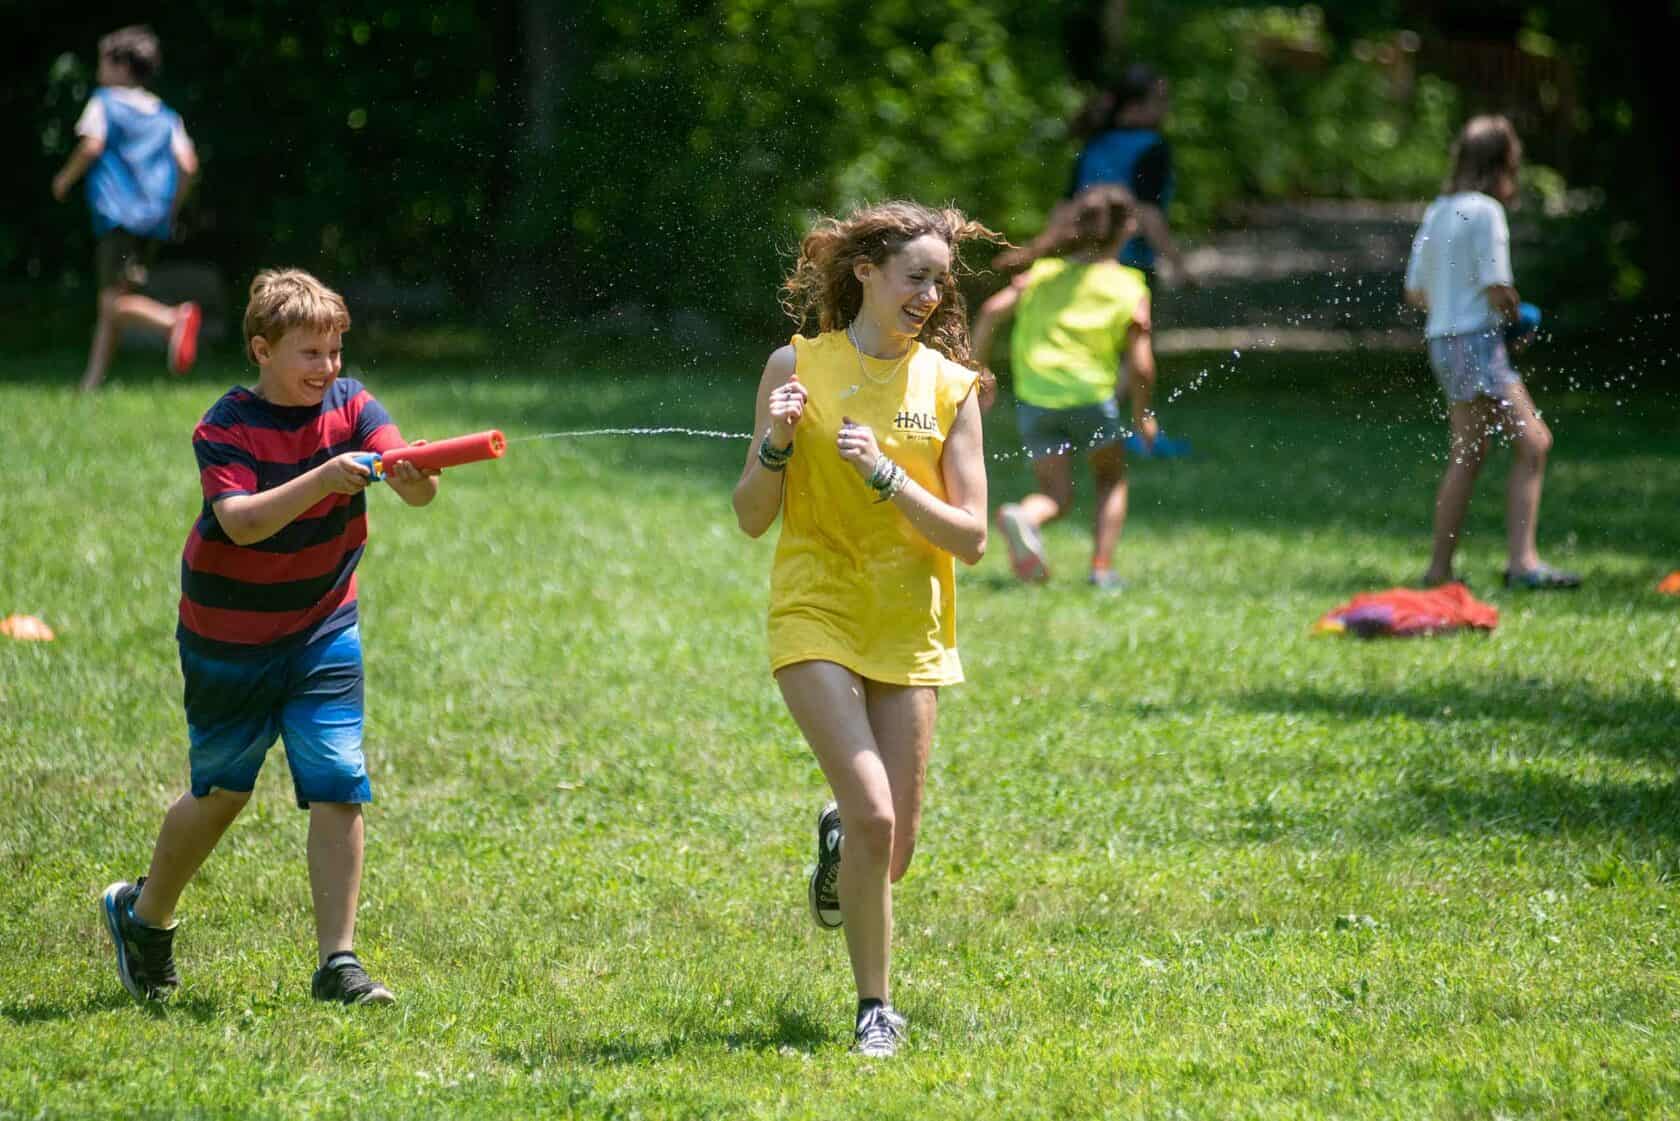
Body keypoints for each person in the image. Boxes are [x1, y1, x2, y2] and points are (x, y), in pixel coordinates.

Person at [101, 269, 440, 1006]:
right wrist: (323, 477)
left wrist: (414, 472)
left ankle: (338, 963)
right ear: (261, 349)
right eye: (309, 353)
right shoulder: (224, 426)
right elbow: (242, 521)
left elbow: (417, 484)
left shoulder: (353, 406)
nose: (328, 368)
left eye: (334, 351)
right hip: (229, 636)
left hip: (323, 625)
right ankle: (144, 915)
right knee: (223, 791)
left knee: (339, 780)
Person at [732, 201, 994, 1057]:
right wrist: (776, 441)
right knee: (875, 809)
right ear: (866, 273)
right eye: (914, 276)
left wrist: (888, 478)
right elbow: (750, 516)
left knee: (893, 850)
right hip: (815, 607)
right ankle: (875, 1007)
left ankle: (841, 839)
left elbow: (973, 536)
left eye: (938, 282)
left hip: (908, 622)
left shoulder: (951, 388)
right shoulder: (795, 365)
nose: (928, 294)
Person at [1404, 115, 1579, 590]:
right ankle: (1521, 563)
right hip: (1474, 342)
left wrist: (1458, 304)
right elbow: (1498, 284)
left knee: (1471, 451)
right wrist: (1518, 318)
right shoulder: (1484, 211)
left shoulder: (1439, 210)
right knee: (1532, 443)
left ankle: (1440, 569)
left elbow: (1416, 292)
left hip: (1443, 340)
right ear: (1503, 164)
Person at [974, 186, 1159, 590]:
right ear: (1126, 230)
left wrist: (979, 369)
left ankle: (1027, 516)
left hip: (1036, 400)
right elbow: (1142, 365)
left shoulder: (1042, 274)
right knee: (1111, 480)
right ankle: (1102, 569)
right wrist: (1144, 414)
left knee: (1055, 495)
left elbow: (989, 312)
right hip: (1091, 399)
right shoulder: (1129, 286)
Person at [51, 25, 203, 392]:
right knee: (114, 299)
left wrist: (64, 180)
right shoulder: (166, 115)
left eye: (104, 63)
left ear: (120, 67)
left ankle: (173, 320)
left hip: (117, 215)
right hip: (152, 218)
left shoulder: (104, 103)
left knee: (113, 302)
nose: (100, 71)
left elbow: (91, 146)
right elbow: (188, 164)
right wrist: (170, 208)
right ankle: (91, 383)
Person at [1067, 63, 1190, 288]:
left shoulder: (1093, 144)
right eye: (1160, 100)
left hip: (1082, 262)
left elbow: (1066, 205)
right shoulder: (1151, 146)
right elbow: (1147, 211)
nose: (1167, 107)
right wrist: (1177, 264)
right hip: (1130, 265)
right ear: (1134, 107)